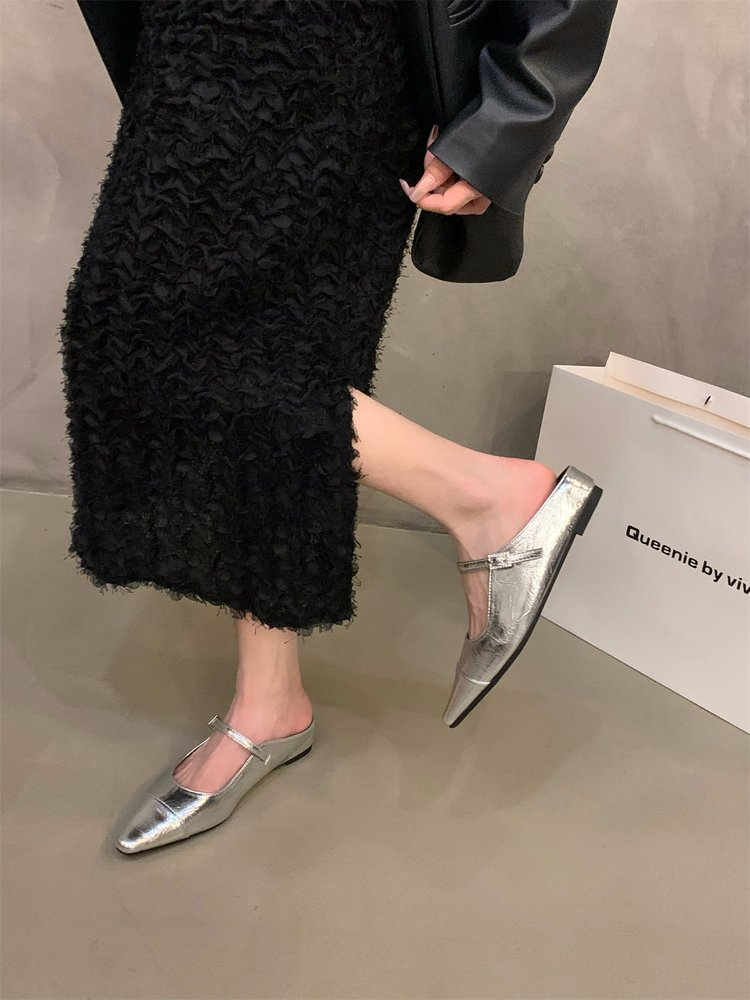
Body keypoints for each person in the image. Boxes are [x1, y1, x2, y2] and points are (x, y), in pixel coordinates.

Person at [60, 0, 612, 855]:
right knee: (263, 345)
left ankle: (488, 500)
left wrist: (511, 117)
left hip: (333, 38)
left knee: (159, 342)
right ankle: (271, 703)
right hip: (191, 31)